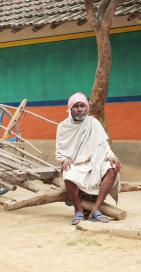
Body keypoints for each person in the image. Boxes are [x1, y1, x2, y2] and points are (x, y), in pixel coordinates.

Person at [55, 92, 122, 225]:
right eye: (76, 106)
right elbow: (60, 151)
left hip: (94, 162)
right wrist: (64, 159)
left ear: (87, 108)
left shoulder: (93, 123)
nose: (80, 109)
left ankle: (95, 210)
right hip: (76, 164)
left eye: (82, 106)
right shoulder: (63, 127)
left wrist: (112, 156)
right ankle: (78, 210)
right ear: (70, 108)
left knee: (112, 168)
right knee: (67, 172)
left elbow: (103, 145)